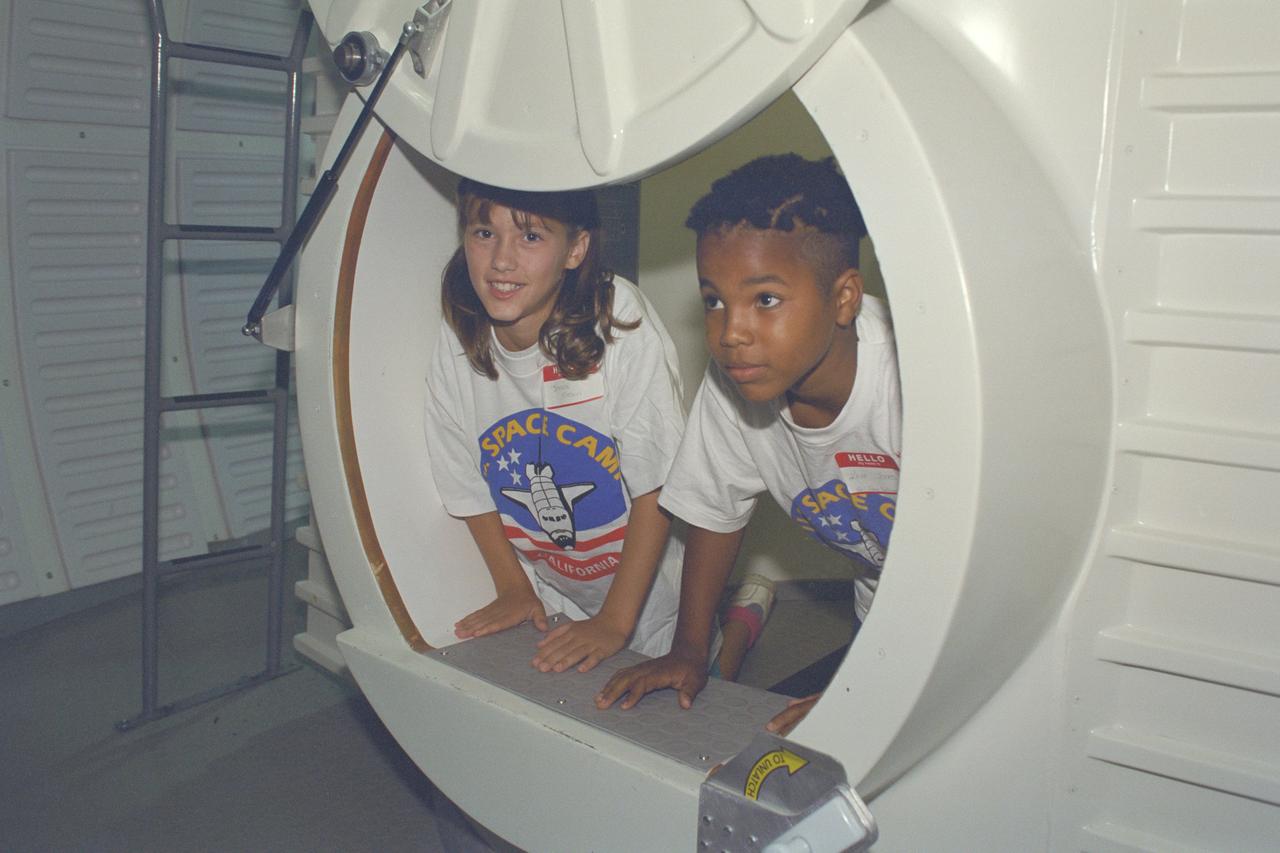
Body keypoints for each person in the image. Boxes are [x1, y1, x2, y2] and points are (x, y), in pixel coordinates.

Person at [596, 154, 901, 734]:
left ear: (843, 299)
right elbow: (715, 510)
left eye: (764, 300)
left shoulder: (910, 382)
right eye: (714, 300)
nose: (731, 333)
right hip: (882, 611)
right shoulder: (740, 383)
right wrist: (689, 650)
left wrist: (880, 689)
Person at [425, 178, 686, 673]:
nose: (501, 260)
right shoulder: (457, 332)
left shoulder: (619, 318)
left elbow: (657, 484)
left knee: (695, 677)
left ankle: (745, 618)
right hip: (552, 583)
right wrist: (514, 588)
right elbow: (464, 481)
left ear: (576, 248)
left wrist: (615, 621)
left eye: (530, 237)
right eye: (484, 233)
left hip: (646, 596)